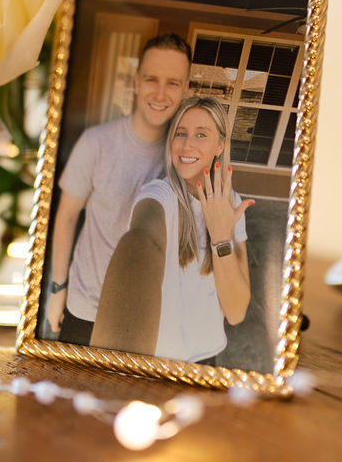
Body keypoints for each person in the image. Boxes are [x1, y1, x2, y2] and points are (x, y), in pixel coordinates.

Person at [46, 33, 192, 344]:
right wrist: (58, 289)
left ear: (185, 90)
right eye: (152, 79)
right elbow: (67, 216)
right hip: (86, 305)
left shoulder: (186, 158)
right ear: (137, 83)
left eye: (173, 83)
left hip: (147, 311)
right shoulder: (96, 143)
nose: (161, 93)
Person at [91, 96, 254, 364]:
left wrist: (221, 236)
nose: (187, 144)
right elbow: (142, 239)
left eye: (201, 134)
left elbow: (236, 312)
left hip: (207, 358)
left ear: (220, 145)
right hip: (156, 362)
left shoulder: (232, 203)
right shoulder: (158, 196)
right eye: (181, 133)